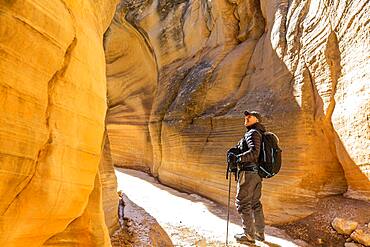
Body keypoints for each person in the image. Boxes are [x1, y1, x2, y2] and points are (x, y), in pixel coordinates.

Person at [228, 110, 265, 244]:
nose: (246, 118)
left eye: (250, 116)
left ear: (257, 120)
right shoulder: (259, 133)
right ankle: (259, 233)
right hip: (256, 174)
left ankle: (249, 236)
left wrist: (237, 158)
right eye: (246, 116)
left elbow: (254, 153)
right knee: (255, 203)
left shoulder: (252, 133)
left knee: (243, 203)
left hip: (248, 173)